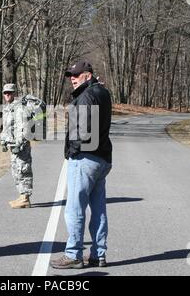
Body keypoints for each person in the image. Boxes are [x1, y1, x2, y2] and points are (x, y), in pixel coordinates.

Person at [51, 60, 112, 269]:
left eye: (76, 75)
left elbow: (83, 129)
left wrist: (72, 151)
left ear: (88, 74)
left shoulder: (86, 96)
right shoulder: (102, 92)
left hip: (86, 158)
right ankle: (98, 254)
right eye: (70, 75)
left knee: (74, 208)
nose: (72, 79)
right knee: (98, 209)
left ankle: (73, 254)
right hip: (102, 158)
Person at [0, 83, 34, 209]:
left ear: (14, 93)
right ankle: (21, 196)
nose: (7, 94)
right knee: (16, 171)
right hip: (12, 145)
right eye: (5, 93)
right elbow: (7, 127)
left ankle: (25, 198)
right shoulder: (8, 108)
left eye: (9, 92)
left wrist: (19, 144)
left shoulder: (20, 108)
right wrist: (3, 140)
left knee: (23, 170)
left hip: (21, 146)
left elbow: (23, 128)